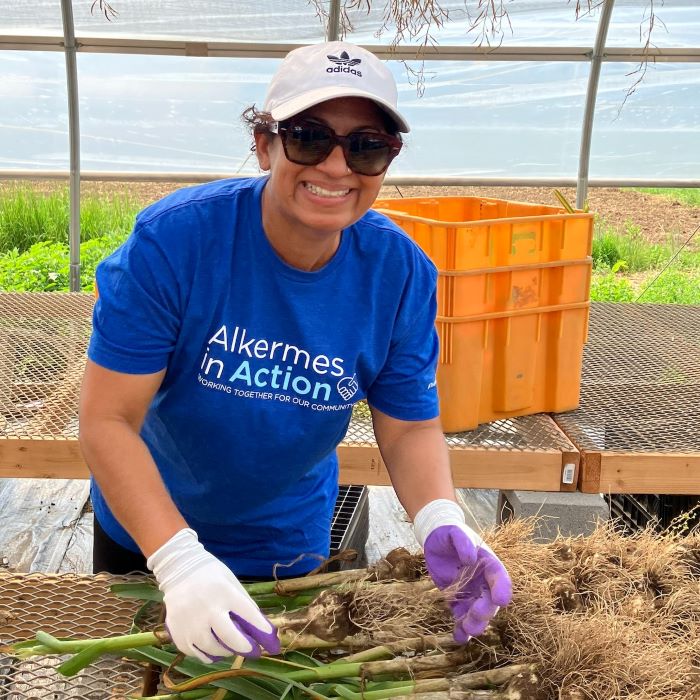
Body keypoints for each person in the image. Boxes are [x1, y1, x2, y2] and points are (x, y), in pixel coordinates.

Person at [79, 40, 512, 664]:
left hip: (286, 551)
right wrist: (176, 560)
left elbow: (409, 423)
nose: (337, 167)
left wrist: (440, 516)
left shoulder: (398, 272)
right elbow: (107, 418)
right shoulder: (175, 242)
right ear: (265, 144)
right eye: (310, 138)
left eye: (366, 146)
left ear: (387, 160)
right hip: (148, 537)